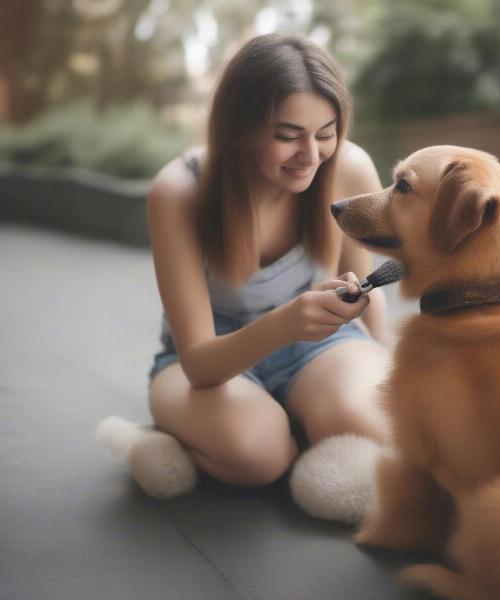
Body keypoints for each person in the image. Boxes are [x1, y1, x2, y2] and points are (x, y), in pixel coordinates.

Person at [96, 32, 391, 524]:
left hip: (320, 347)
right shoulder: (178, 192)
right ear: (241, 127)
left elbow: (367, 297)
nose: (311, 155)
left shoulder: (350, 168)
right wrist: (285, 322)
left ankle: (288, 422)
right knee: (257, 457)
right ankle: (156, 440)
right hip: (210, 363)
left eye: (325, 131)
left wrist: (390, 379)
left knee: (372, 425)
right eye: (286, 134)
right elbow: (199, 365)